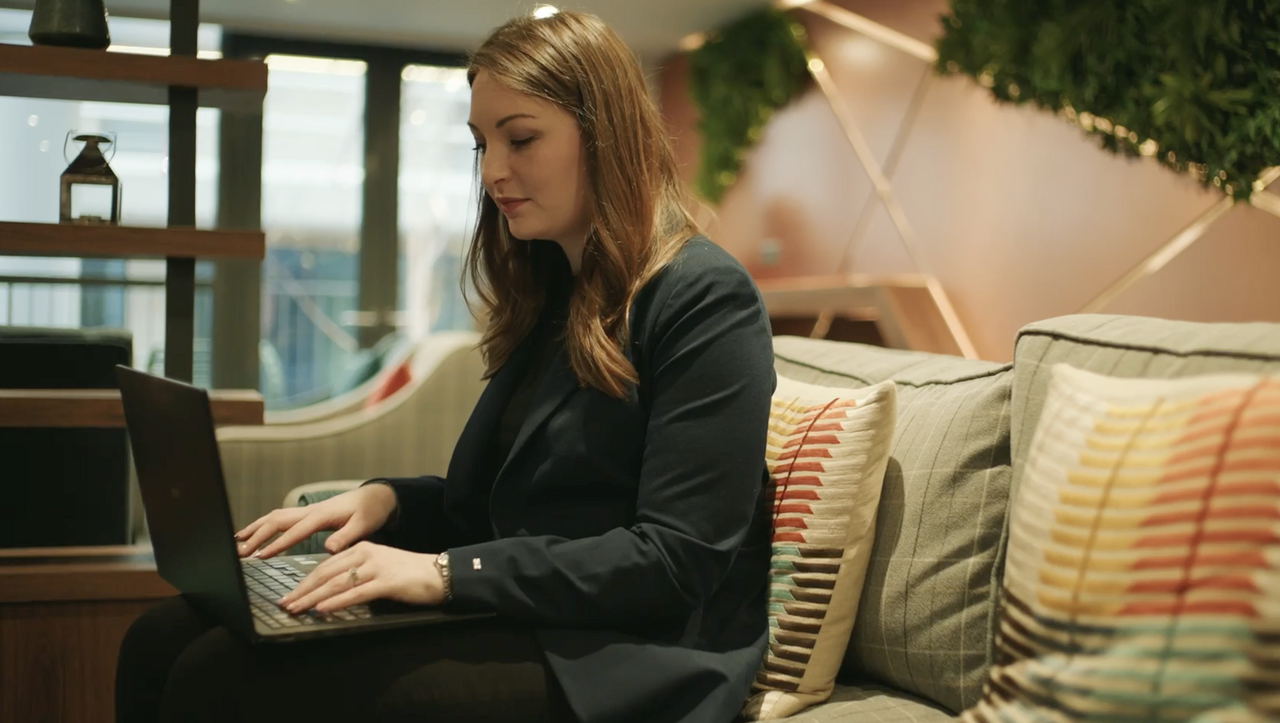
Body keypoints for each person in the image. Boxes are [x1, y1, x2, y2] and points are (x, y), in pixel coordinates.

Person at [115, 9, 775, 723]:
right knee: (158, 638)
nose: (493, 171)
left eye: (520, 138)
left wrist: (446, 571)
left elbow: (677, 559)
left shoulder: (705, 297)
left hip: (626, 656)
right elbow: (504, 512)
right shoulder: (557, 289)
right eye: (481, 144)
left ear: (605, 131)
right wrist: (390, 502)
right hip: (534, 616)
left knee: (224, 679)